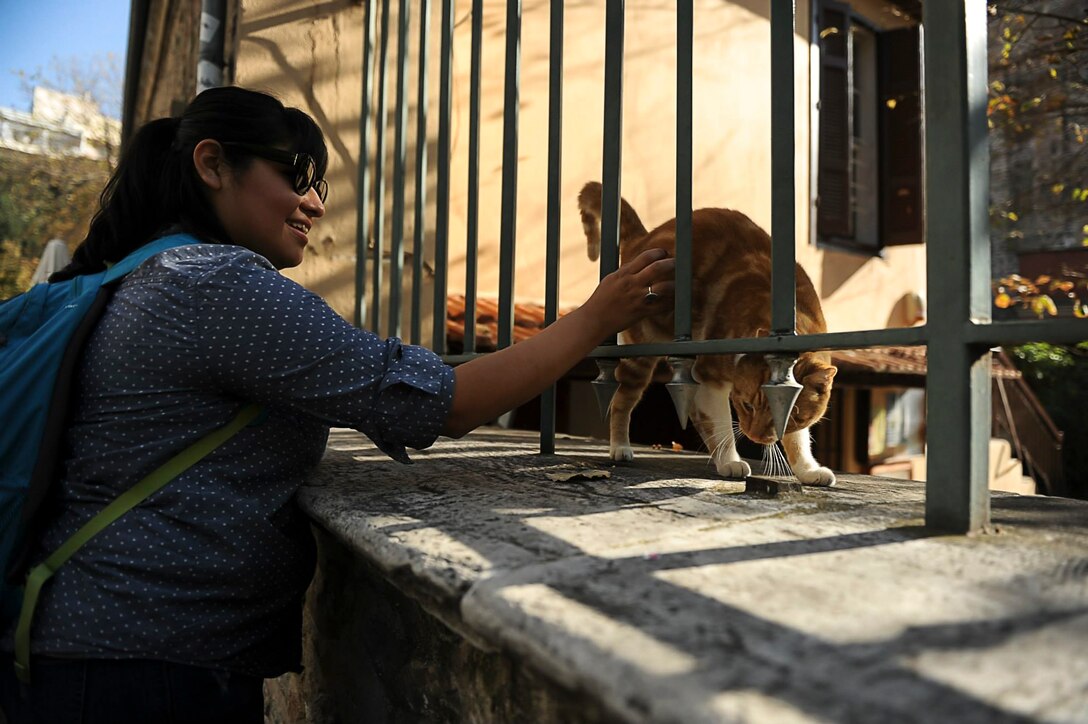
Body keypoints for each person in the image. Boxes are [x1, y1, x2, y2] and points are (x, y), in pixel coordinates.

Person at [0, 86, 674, 723]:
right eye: (297, 174)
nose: (316, 203)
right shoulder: (213, 285)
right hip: (143, 669)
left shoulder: (147, 278)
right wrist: (596, 316)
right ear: (213, 164)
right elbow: (447, 404)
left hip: (96, 651)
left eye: (319, 184)